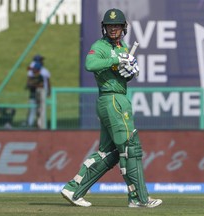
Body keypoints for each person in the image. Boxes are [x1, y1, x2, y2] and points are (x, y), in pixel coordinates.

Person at [61, 8, 162, 208]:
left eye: (117, 26)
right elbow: (90, 64)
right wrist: (117, 60)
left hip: (117, 99)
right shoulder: (100, 46)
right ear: (104, 28)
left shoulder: (123, 47)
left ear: (123, 27)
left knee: (110, 153)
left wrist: (130, 71)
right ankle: (139, 198)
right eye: (109, 26)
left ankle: (74, 189)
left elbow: (124, 74)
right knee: (130, 148)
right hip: (112, 100)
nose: (113, 29)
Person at [26, 62, 44, 127]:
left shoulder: (40, 77)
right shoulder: (32, 76)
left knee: (40, 112)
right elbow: (28, 85)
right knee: (32, 111)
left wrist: (33, 85)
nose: (33, 70)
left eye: (34, 69)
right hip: (33, 97)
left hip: (40, 97)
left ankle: (40, 125)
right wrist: (33, 85)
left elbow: (41, 85)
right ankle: (30, 125)